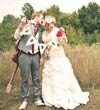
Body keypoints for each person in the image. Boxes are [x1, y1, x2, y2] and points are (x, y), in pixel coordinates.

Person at [41, 15, 89, 110]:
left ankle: (62, 97)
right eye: (46, 24)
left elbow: (64, 42)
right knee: (50, 77)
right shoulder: (44, 32)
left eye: (49, 23)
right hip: (49, 58)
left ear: (51, 23)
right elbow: (44, 45)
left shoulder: (57, 30)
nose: (47, 25)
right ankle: (52, 97)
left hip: (58, 56)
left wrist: (62, 37)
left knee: (60, 77)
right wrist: (43, 56)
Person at [14, 12, 44, 110]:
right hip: (24, 55)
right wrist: (21, 25)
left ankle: (37, 98)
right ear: (36, 17)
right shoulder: (26, 23)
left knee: (36, 78)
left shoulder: (40, 29)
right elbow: (16, 37)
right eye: (42, 18)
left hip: (36, 56)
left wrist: (41, 56)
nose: (42, 20)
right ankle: (25, 99)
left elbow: (41, 44)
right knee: (24, 78)